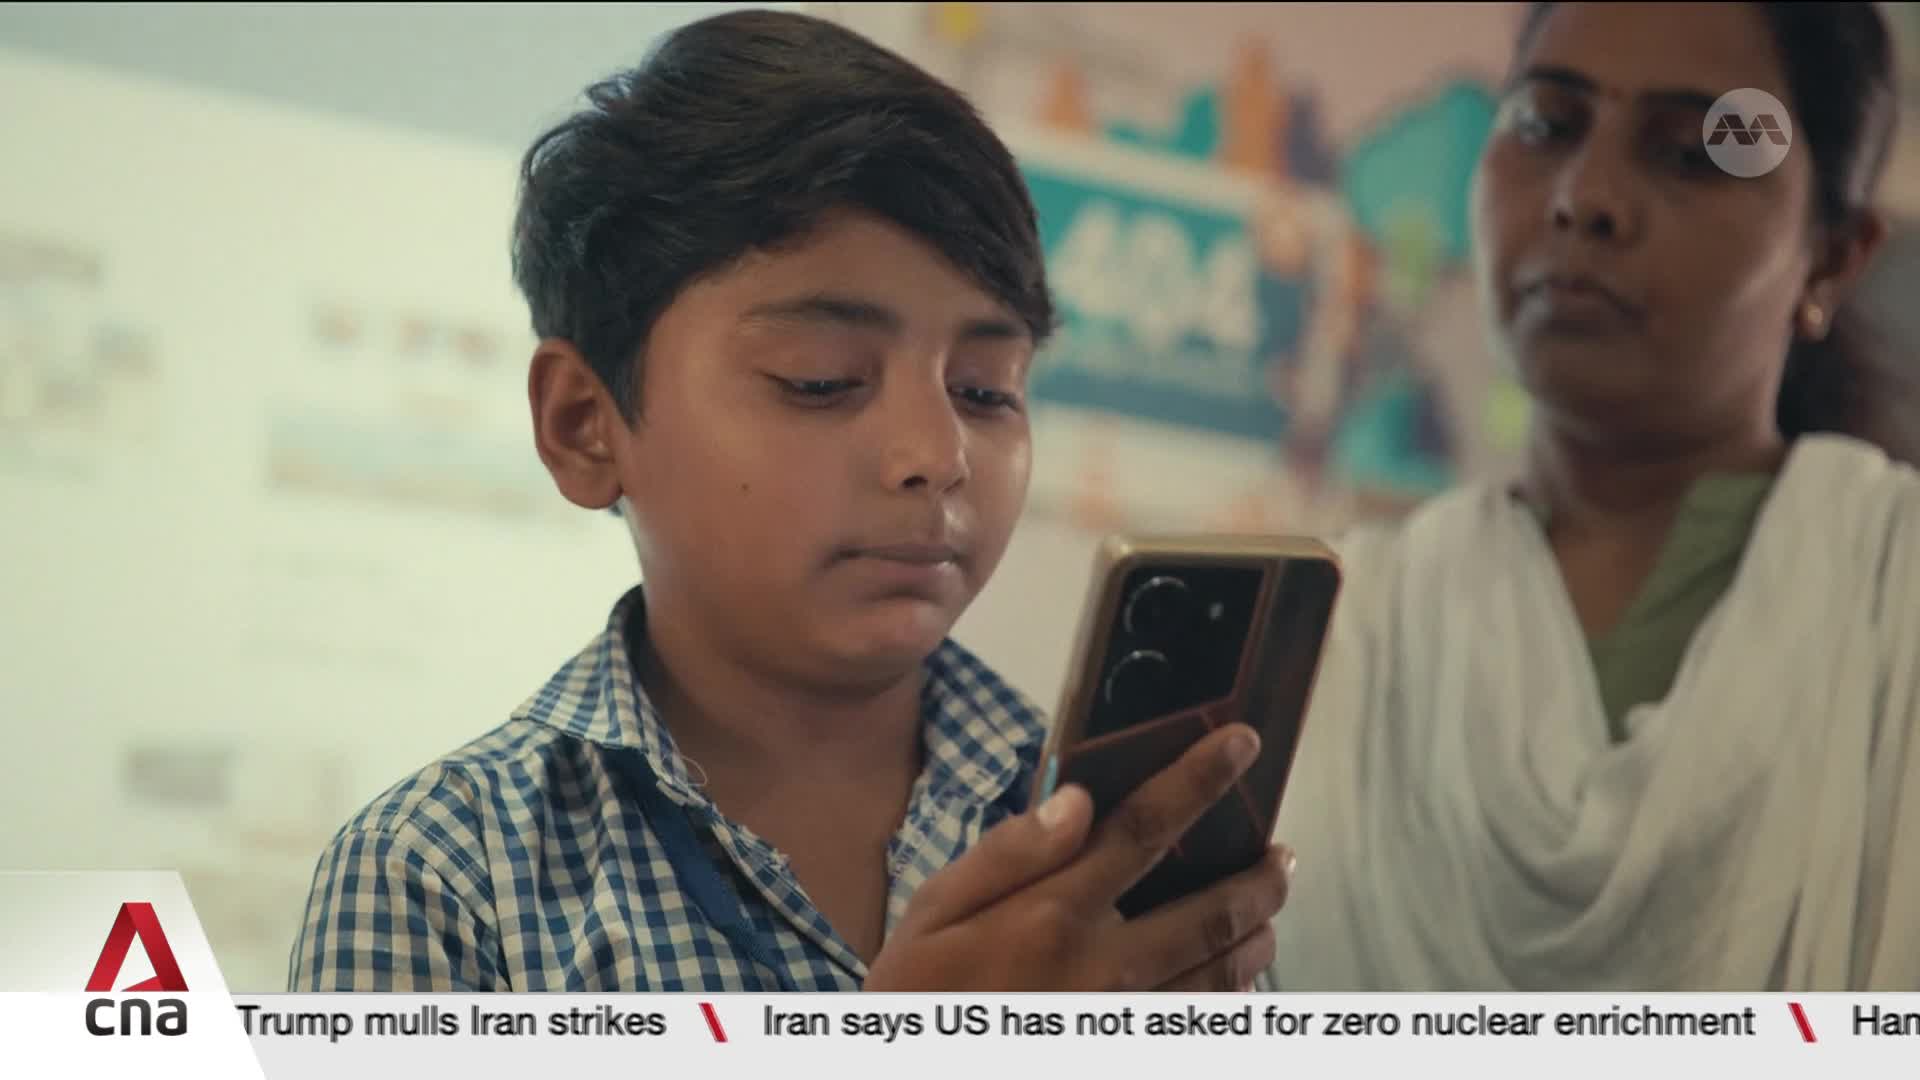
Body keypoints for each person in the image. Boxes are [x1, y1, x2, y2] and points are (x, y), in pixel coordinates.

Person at [289, 9, 1293, 992]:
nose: (936, 455)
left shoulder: (1119, 843)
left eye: (987, 390)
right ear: (584, 424)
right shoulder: (440, 876)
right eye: (820, 378)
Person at [1265, 0, 1920, 991]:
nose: (1586, 196)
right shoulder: (1346, 625)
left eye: (1694, 151)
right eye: (1546, 125)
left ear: (1830, 256)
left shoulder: (1894, 600)